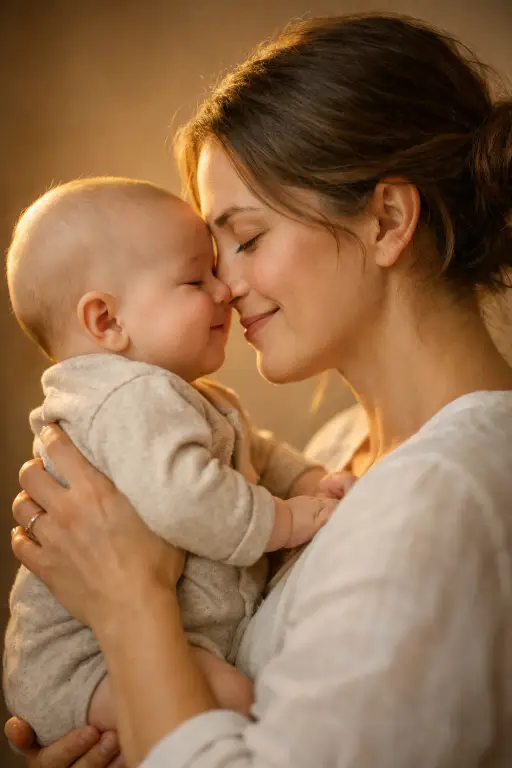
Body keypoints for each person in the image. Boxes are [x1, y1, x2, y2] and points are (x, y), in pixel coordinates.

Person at [7, 11, 512, 768]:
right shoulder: (339, 454)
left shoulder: (444, 495)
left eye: (246, 240)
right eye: (211, 257)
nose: (225, 288)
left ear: (387, 219)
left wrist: (130, 603)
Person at [4, 177, 347, 746]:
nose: (225, 291)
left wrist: (309, 478)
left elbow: (251, 451)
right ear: (106, 321)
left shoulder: (182, 397)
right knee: (235, 700)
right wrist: (287, 520)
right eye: (197, 279)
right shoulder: (125, 400)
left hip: (142, 647)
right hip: (82, 664)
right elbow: (186, 497)